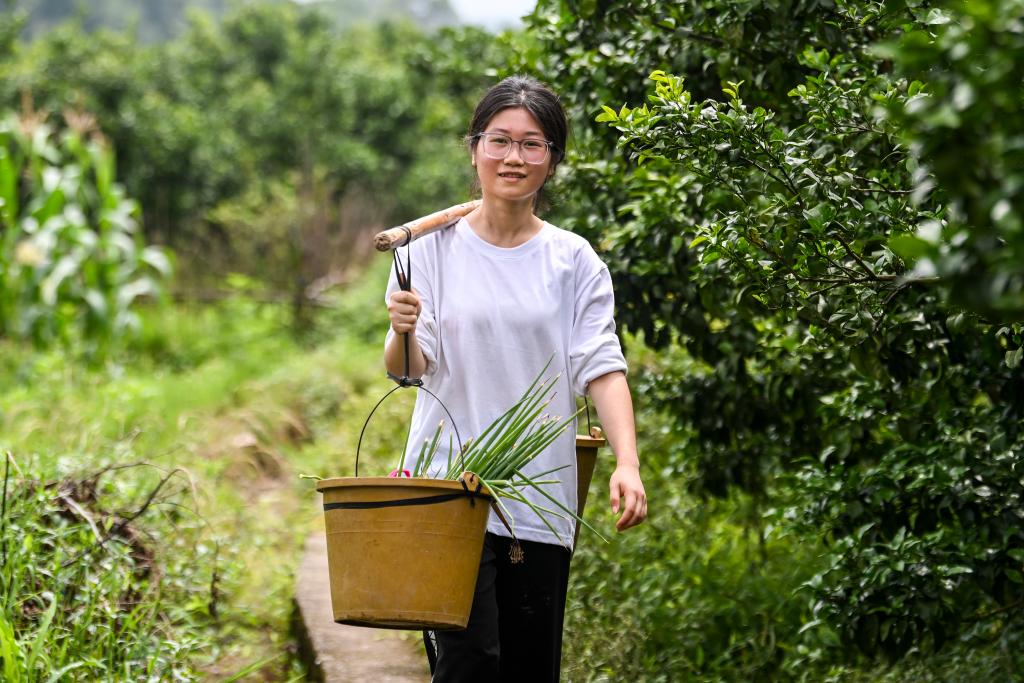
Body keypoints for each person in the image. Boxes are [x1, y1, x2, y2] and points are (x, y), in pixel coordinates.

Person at [384, 75, 647, 682]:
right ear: (475, 148)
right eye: (499, 140)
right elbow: (406, 372)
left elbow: (602, 367)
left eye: (532, 144)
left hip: (539, 496)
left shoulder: (574, 260)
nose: (514, 157)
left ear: (551, 160)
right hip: (446, 491)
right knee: (468, 664)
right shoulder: (424, 252)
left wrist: (628, 462)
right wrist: (401, 328)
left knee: (530, 669)